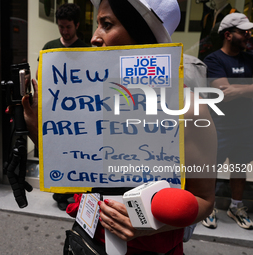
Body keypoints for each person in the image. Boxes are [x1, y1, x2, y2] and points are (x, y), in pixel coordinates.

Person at [23, 0, 217, 253]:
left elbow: (204, 200)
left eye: (107, 25)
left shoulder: (189, 107)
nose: (94, 38)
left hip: (147, 248)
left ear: (141, 35)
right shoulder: (88, 98)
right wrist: (36, 125)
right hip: (86, 238)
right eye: (97, 25)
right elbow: (72, 164)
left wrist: (151, 225)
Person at [202, 13, 253, 230]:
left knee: (240, 168)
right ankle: (208, 206)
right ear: (228, 35)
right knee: (211, 169)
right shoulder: (214, 60)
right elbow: (223, 92)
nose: (248, 35)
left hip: (246, 126)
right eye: (243, 32)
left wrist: (238, 90)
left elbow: (231, 90)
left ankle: (236, 207)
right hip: (220, 126)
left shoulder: (250, 58)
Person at [37, 3, 90, 211]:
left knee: (78, 152)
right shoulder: (49, 47)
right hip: (55, 110)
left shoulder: (86, 50)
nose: (64, 31)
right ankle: (60, 192)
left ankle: (76, 191)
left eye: (68, 27)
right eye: (61, 27)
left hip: (80, 111)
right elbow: (40, 76)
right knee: (58, 152)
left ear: (76, 25)